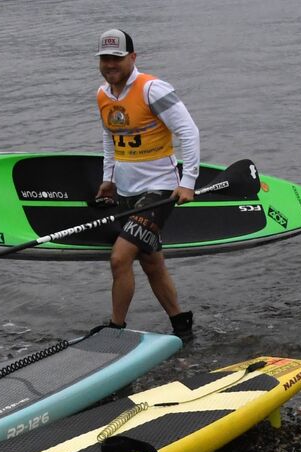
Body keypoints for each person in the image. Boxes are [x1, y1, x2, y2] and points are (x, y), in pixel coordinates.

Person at [93, 28, 199, 340]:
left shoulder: (153, 89)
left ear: (132, 57)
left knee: (120, 257)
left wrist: (188, 181)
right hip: (126, 192)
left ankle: (116, 330)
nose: (111, 64)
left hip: (160, 191)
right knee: (152, 263)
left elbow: (189, 132)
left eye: (117, 58)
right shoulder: (103, 95)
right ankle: (181, 323)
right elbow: (110, 139)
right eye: (105, 58)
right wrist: (108, 179)